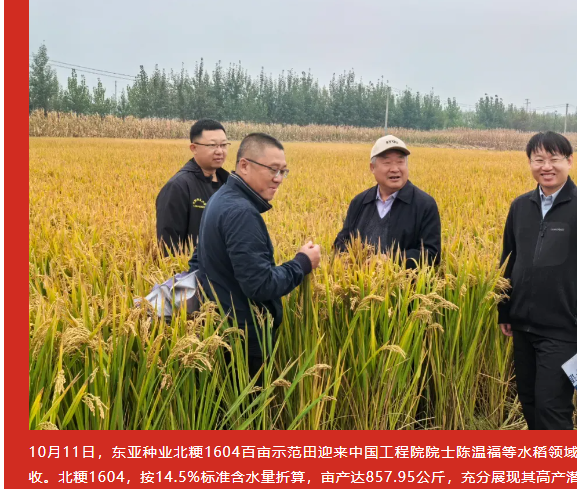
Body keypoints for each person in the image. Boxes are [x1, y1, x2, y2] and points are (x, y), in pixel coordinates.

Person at [498, 131, 577, 430]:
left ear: (569, 161)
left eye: (554, 159)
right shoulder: (520, 206)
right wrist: (504, 310)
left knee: (552, 408)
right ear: (530, 163)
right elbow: (508, 262)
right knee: (529, 402)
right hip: (522, 325)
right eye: (538, 159)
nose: (546, 166)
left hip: (562, 328)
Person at [195, 132, 321, 377]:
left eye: (283, 171)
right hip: (244, 340)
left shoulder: (220, 199)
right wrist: (303, 262)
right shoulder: (241, 212)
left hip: (223, 330)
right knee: (250, 401)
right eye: (272, 169)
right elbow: (260, 285)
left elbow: (197, 258)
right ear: (244, 165)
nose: (278, 179)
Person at [333, 135, 441, 267]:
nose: (395, 169)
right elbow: (341, 241)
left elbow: (432, 254)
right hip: (361, 278)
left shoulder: (425, 205)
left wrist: (390, 260)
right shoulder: (359, 202)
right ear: (372, 167)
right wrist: (357, 255)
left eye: (400, 162)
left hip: (402, 280)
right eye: (387, 163)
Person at [156, 119, 230, 256]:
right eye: (212, 145)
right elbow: (168, 245)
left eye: (224, 145)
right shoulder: (178, 187)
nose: (220, 151)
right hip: (193, 267)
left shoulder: (229, 184)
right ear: (194, 148)